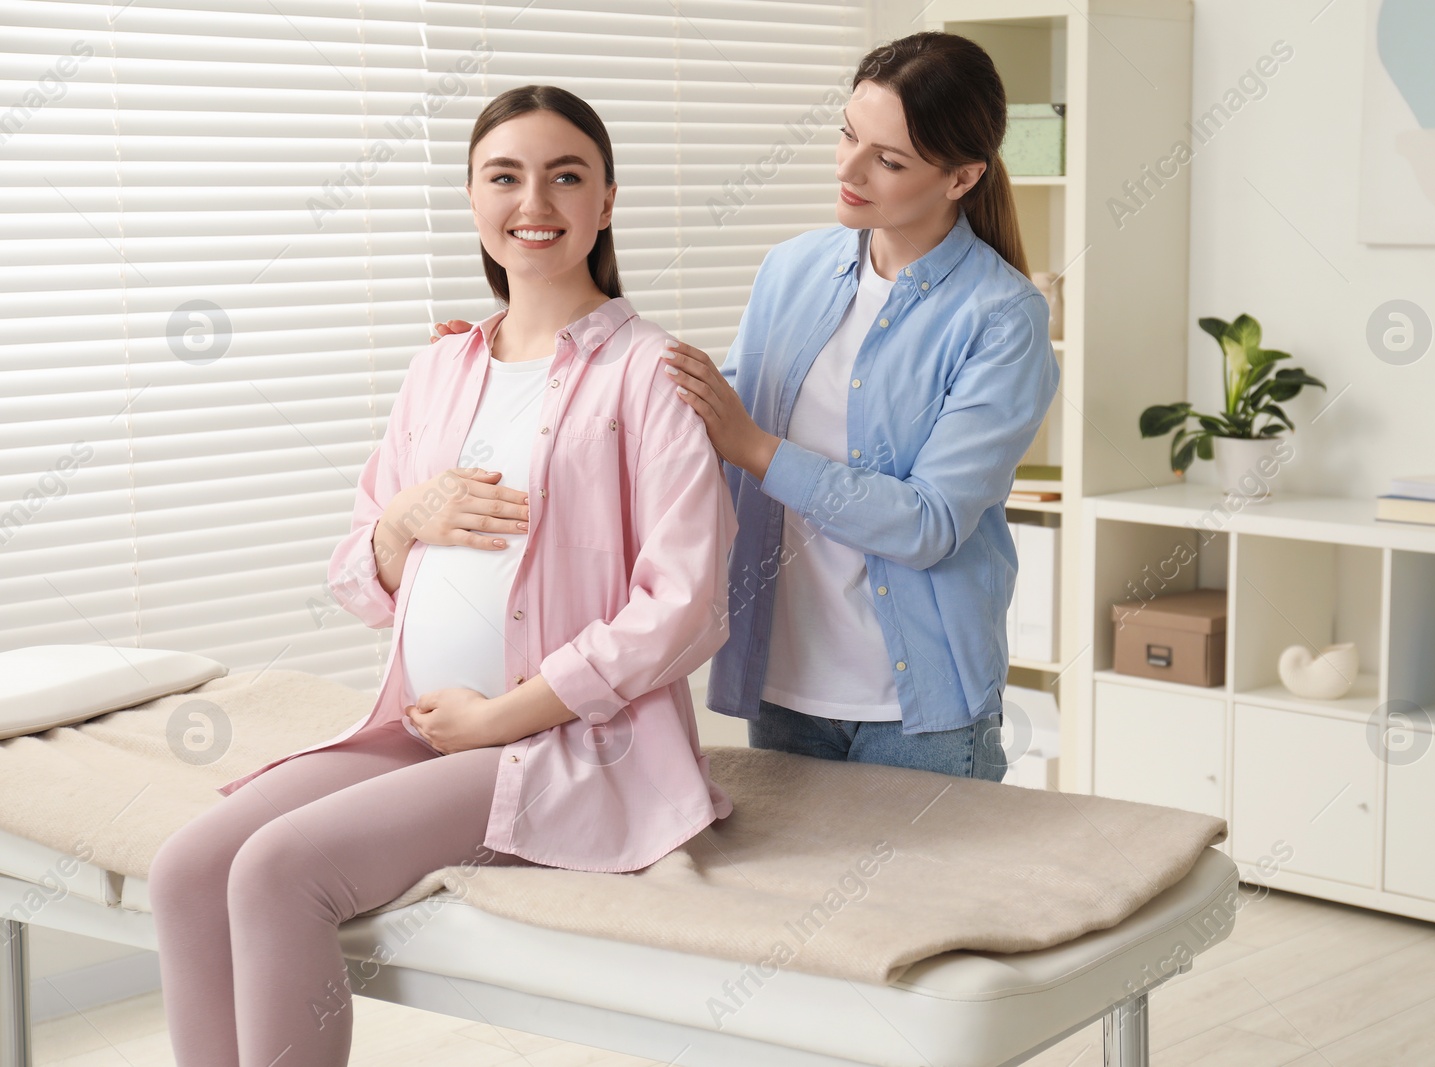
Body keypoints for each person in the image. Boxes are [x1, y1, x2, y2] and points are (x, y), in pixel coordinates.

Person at [146, 85, 735, 1067]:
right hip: (419, 724)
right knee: (184, 868)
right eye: (503, 175)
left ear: (606, 201)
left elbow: (682, 606)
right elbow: (355, 571)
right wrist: (402, 521)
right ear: (471, 198)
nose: (532, 199)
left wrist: (502, 717)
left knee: (276, 870)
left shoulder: (652, 375)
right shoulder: (440, 369)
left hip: (560, 743)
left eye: (565, 175)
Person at [659, 31, 1060, 781]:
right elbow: (708, 420)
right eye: (848, 134)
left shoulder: (1002, 317)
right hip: (785, 686)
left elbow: (930, 523)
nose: (848, 169)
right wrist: (517, 344)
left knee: (927, 904)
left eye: (889, 160)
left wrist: (757, 448)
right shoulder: (790, 269)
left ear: (962, 177)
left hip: (920, 715)